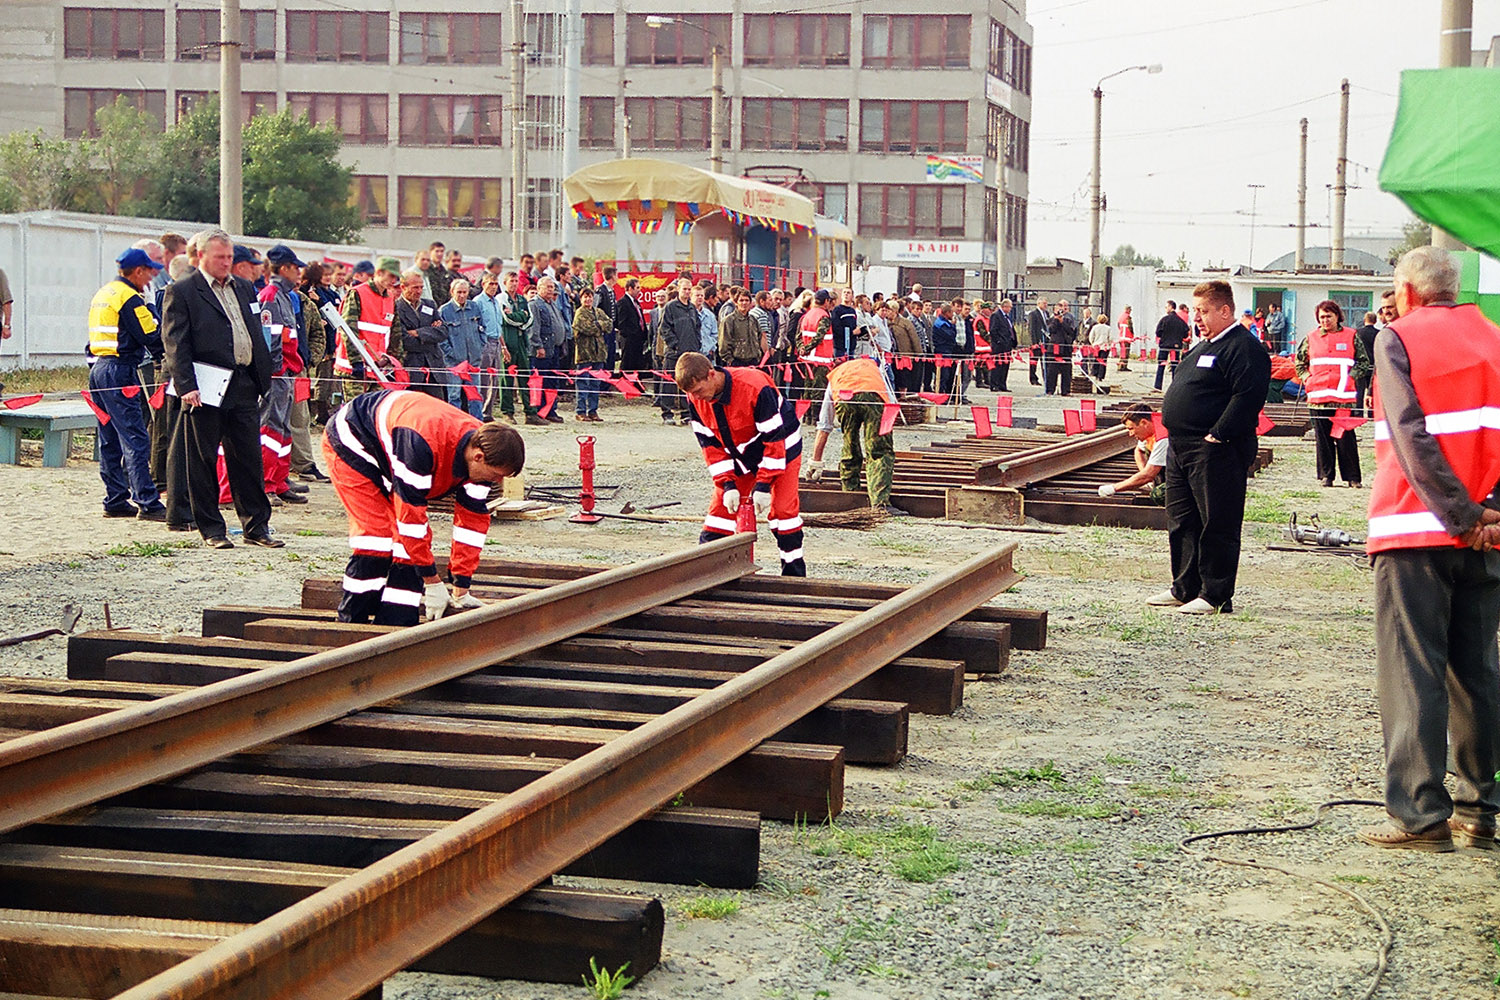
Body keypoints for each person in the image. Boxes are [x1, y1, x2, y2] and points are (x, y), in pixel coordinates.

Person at [1354, 245, 1500, 853]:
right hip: (1490, 535)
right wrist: (1490, 517)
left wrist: (1460, 516)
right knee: (1478, 671)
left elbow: (1412, 438)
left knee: (1413, 670)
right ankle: (1481, 809)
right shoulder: (1495, 338)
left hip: (1414, 529)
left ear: (1408, 292)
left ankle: (1421, 815)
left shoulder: (1398, 340)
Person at [324, 389, 524, 626]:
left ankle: (396, 622)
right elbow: (411, 520)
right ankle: (352, 623)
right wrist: (432, 582)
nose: (497, 482)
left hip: (392, 441)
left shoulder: (483, 452)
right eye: (496, 475)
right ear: (478, 457)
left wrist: (461, 587)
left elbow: (471, 526)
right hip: (353, 439)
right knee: (376, 536)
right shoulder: (422, 444)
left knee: (405, 546)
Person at [1151, 280, 1270, 614]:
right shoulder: (1202, 346)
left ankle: (1215, 594)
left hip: (1216, 449)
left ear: (1225, 310)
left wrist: (1217, 434)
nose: (1197, 318)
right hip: (1181, 447)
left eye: (1204, 311)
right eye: (1196, 311)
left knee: (1217, 522)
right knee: (1183, 521)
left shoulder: (1243, 347)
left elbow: (1247, 397)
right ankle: (1184, 587)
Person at [161, 228, 280, 549]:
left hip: (243, 384)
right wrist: (186, 385)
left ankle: (257, 526)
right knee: (202, 460)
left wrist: (261, 375)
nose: (227, 262)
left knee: (248, 458)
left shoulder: (243, 287)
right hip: (206, 387)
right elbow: (175, 343)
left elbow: (253, 330)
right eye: (220, 257)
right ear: (200, 256)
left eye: (229, 257)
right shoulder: (183, 290)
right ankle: (212, 528)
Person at [674, 351, 805, 576]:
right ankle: (706, 574)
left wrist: (763, 484)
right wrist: (727, 485)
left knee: (784, 514)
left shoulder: (754, 387)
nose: (696, 398)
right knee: (720, 513)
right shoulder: (695, 399)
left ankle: (794, 574)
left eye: (698, 391)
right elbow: (710, 446)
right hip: (741, 453)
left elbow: (774, 440)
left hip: (783, 448)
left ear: (711, 375)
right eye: (689, 393)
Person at [87, 247, 168, 521]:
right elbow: (150, 334)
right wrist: (152, 308)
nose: (149, 278)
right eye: (147, 272)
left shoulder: (104, 292)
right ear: (137, 271)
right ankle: (148, 502)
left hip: (99, 368)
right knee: (135, 437)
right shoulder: (130, 297)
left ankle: (115, 499)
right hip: (121, 370)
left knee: (109, 438)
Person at [249, 244, 310, 507]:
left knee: (283, 429)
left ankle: (280, 479)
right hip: (277, 373)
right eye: (295, 268)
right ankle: (266, 483)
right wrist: (275, 371)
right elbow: (269, 337)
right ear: (283, 269)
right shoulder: (271, 295)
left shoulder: (285, 295)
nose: (299, 273)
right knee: (270, 428)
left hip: (287, 371)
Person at [806, 355, 902, 515]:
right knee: (879, 452)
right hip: (873, 395)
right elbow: (891, 402)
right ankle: (880, 504)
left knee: (850, 445)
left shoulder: (836, 377)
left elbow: (824, 426)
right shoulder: (874, 369)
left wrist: (815, 462)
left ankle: (850, 494)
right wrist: (883, 434)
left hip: (845, 399)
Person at [1295, 300, 1371, 488]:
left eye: (1329, 316)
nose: (1325, 320)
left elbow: (1363, 362)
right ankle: (1326, 476)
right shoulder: (1310, 338)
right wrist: (1307, 379)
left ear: (1337, 316)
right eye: (1321, 317)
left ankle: (1353, 478)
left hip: (1343, 400)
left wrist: (1350, 377)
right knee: (1323, 440)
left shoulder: (1352, 336)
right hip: (1318, 398)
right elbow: (1299, 363)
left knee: (1346, 439)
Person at [336, 256, 402, 396]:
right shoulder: (357, 293)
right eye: (391, 276)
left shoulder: (390, 298)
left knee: (373, 412)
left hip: (379, 368)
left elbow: (395, 334)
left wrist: (393, 360)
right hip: (355, 369)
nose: (393, 281)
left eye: (396, 277)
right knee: (356, 412)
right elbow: (348, 329)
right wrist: (356, 362)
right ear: (378, 273)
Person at [394, 268, 447, 401]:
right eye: (415, 287)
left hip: (434, 368)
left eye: (421, 287)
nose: (419, 291)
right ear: (403, 287)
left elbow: (443, 331)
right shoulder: (396, 308)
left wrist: (418, 333)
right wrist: (430, 336)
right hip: (412, 369)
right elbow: (404, 340)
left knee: (437, 406)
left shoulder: (429, 305)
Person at [1098, 402, 1168, 503]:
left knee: (1159, 494)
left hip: (1191, 477)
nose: (1130, 434)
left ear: (1144, 423)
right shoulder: (1153, 427)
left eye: (1131, 429)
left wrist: (1114, 488)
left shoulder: (1163, 439)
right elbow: (1139, 451)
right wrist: (1144, 472)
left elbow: (1148, 475)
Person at [497, 272, 542, 426]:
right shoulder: (501, 299)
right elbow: (506, 318)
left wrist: (519, 317)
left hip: (522, 341)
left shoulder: (522, 299)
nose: (514, 284)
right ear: (505, 282)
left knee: (525, 377)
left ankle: (530, 412)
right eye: (511, 281)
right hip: (508, 341)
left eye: (516, 281)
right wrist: (520, 316)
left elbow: (529, 319)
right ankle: (507, 412)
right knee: (507, 378)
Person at [440, 279, 486, 418]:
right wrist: (451, 353)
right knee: (454, 395)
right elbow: (441, 338)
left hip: (473, 361)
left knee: (475, 394)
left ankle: (477, 422)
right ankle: (455, 422)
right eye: (458, 292)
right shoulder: (444, 311)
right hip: (454, 363)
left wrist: (480, 345)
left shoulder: (475, 307)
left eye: (464, 292)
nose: (461, 295)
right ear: (452, 292)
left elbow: (483, 328)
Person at [657, 279, 699, 426]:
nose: (687, 292)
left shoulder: (692, 308)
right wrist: (674, 345)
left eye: (689, 290)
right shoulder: (670, 307)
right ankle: (667, 413)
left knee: (687, 383)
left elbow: (697, 328)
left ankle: (686, 413)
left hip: (690, 353)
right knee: (669, 382)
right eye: (685, 289)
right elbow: (664, 329)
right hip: (674, 354)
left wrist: (697, 345)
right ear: (679, 290)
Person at [528, 276, 568, 424]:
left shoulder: (552, 304)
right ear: (539, 288)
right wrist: (538, 346)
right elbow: (534, 328)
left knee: (552, 382)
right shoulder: (535, 304)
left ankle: (550, 410)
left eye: (552, 287)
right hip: (542, 350)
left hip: (554, 348)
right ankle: (539, 411)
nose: (551, 290)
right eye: (548, 287)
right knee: (541, 382)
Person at [572, 293, 611, 422]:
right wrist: (600, 326)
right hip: (584, 354)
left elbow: (610, 324)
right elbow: (586, 328)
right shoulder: (580, 313)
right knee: (583, 383)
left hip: (598, 354)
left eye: (590, 297)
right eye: (585, 297)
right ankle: (581, 411)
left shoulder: (599, 311)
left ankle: (593, 411)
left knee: (595, 384)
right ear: (581, 299)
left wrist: (599, 324)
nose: (588, 299)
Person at [719, 288, 762, 367]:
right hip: (736, 361)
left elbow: (759, 338)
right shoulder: (729, 321)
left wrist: (758, 356)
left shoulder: (753, 320)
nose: (744, 303)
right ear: (736, 302)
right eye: (741, 300)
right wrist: (730, 360)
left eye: (746, 300)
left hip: (753, 361)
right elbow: (724, 344)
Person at [1153, 299, 1191, 391]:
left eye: (1166, 307)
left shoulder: (1164, 320)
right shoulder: (1180, 321)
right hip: (1176, 347)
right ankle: (1175, 387)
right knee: (1175, 366)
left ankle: (1158, 386)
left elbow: (1158, 332)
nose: (1166, 309)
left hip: (1164, 346)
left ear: (1171, 307)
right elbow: (1186, 333)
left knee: (1161, 365)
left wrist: (1164, 336)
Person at [1045, 301, 1077, 396]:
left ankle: (1065, 390)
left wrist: (1062, 321)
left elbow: (1071, 331)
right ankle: (1050, 389)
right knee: (1052, 370)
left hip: (1066, 348)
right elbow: (1051, 330)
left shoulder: (1068, 320)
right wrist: (1056, 320)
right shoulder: (1050, 320)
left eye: (1061, 309)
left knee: (1066, 371)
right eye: (1058, 309)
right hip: (1054, 348)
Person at [1354, 309, 1380, 415]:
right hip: (1374, 366)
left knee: (1359, 391)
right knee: (1372, 390)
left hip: (1361, 366)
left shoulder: (1357, 333)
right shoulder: (1379, 334)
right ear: (1375, 320)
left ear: (1364, 320)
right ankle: (1371, 413)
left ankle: (1358, 412)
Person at [1026, 296, 1049, 386]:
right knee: (1034, 361)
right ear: (1038, 304)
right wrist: (1034, 342)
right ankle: (1033, 378)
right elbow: (1032, 329)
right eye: (1044, 303)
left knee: (1045, 362)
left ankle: (1045, 378)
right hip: (1037, 342)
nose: (1046, 305)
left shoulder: (1046, 313)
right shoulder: (1033, 314)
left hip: (1045, 342)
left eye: (1046, 303)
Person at [1116, 306, 1135, 371]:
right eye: (1130, 309)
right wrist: (1132, 335)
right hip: (1127, 337)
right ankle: (1123, 366)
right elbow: (1130, 327)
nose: (1130, 311)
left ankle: (1120, 366)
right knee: (1126, 353)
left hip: (1121, 337)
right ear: (1128, 309)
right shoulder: (1127, 317)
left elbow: (1118, 325)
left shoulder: (1121, 316)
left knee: (1122, 352)